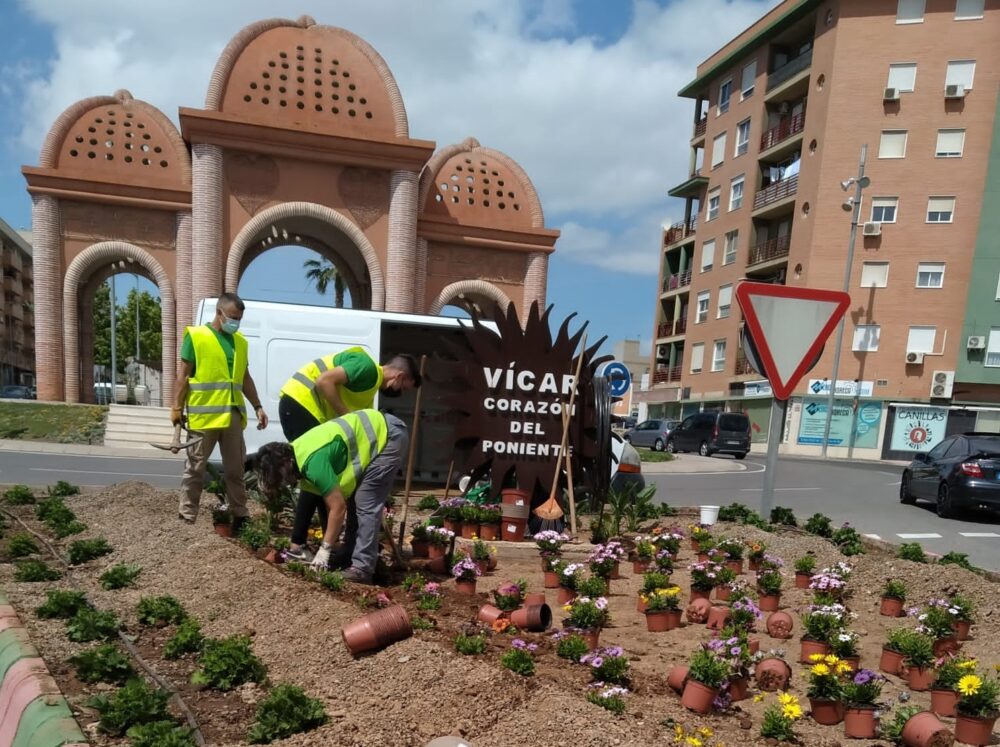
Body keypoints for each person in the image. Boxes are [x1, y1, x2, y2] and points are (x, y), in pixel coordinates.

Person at [278, 349, 420, 561]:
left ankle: (322, 542)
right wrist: (345, 416)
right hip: (301, 403)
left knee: (321, 479)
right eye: (404, 388)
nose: (401, 393)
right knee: (313, 473)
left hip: (304, 407)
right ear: (399, 376)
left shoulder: (369, 390)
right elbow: (324, 381)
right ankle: (298, 545)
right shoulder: (367, 367)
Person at [256, 409, 408, 583]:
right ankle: (350, 555)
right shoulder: (297, 456)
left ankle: (362, 568)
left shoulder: (313, 464)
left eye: (280, 477)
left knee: (365, 502)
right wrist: (305, 544)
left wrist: (325, 550)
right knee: (354, 500)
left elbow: (338, 508)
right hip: (380, 430)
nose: (284, 483)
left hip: (388, 436)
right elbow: (330, 505)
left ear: (284, 463)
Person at [172, 293, 269, 532]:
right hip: (203, 417)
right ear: (219, 313)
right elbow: (183, 376)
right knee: (195, 468)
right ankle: (186, 518)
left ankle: (240, 515)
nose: (236, 322)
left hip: (232, 416)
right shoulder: (196, 337)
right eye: (233, 317)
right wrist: (176, 408)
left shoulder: (240, 342)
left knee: (236, 470)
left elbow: (245, 379)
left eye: (239, 319)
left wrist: (258, 406)